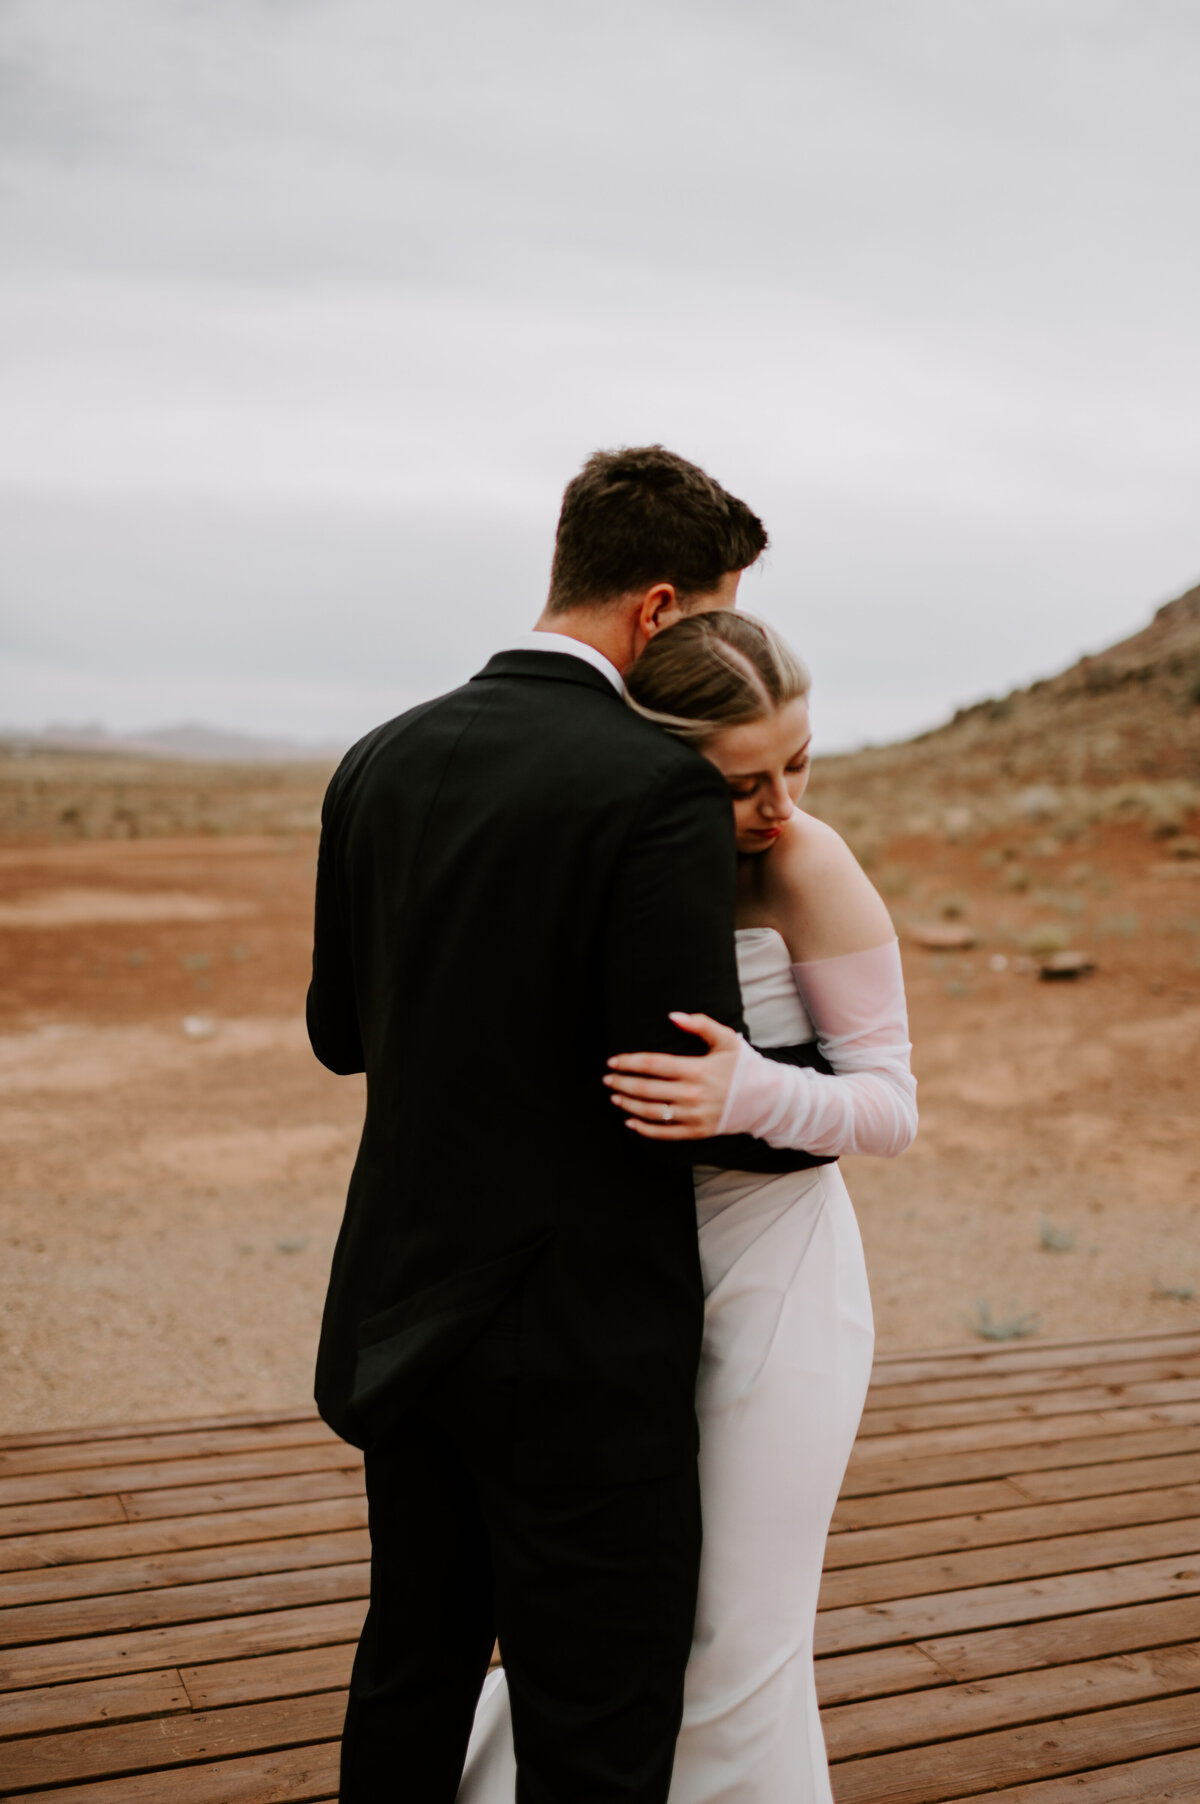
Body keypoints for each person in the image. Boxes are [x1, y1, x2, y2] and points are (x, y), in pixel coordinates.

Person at [306, 447, 836, 1803]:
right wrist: (837, 1099)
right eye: (713, 613)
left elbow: (339, 1035)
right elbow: (687, 1094)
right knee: (594, 1709)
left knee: (413, 1662)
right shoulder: (650, 785)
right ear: (659, 607)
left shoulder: (377, 759)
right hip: (577, 1351)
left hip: (402, 1310)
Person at [457, 609, 917, 1803]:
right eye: (740, 780)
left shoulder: (806, 861)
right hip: (620, 1281)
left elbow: (891, 1106)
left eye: (798, 764)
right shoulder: (603, 854)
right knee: (607, 1606)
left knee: (739, 1627)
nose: (779, 803)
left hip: (779, 1279)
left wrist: (747, 1089)